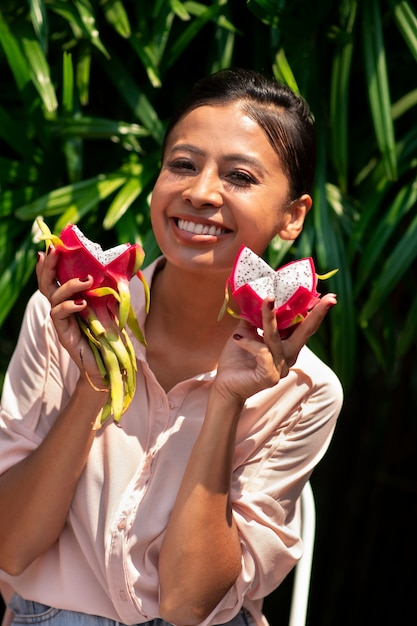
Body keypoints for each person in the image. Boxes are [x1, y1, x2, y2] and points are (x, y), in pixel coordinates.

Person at [0, 68, 343, 626]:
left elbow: (187, 605)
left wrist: (229, 399)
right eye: (183, 164)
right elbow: (11, 547)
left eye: (239, 176)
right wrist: (95, 381)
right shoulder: (63, 315)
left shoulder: (306, 391)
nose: (201, 192)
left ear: (293, 216)